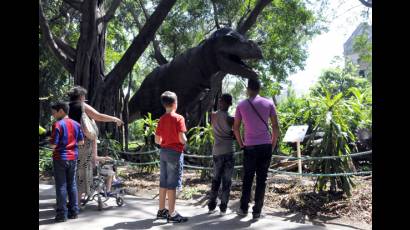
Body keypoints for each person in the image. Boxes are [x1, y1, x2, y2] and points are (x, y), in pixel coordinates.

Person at [67, 86, 123, 206]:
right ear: (81, 97)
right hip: (82, 144)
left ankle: (71, 200)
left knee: (72, 172)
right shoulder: (81, 105)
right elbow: (98, 116)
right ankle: (76, 202)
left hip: (67, 144)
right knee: (82, 172)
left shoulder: (65, 107)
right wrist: (114, 119)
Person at [233, 79, 280, 219]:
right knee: (262, 179)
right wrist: (272, 144)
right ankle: (257, 211)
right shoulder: (269, 103)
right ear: (259, 89)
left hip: (250, 146)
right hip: (265, 145)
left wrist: (242, 144)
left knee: (247, 178)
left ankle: (243, 209)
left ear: (248, 89)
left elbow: (235, 127)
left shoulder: (241, 105)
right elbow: (276, 126)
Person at [154, 91, 188, 223]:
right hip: (175, 153)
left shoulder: (162, 119)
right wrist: (185, 141)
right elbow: (182, 138)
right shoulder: (179, 118)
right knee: (172, 184)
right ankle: (172, 213)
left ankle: (161, 210)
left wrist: (166, 141)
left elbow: (157, 140)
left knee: (163, 181)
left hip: (163, 152)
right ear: (175, 103)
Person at [50, 101, 85, 222]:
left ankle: (61, 214)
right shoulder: (76, 124)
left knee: (61, 186)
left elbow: (54, 145)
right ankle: (74, 212)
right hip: (73, 157)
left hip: (60, 158)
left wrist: (50, 142)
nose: (53, 115)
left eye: (54, 112)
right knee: (72, 184)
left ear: (61, 111)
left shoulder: (58, 125)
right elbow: (81, 142)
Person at [208, 94, 235, 215]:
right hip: (228, 150)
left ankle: (211, 205)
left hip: (216, 151)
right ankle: (223, 207)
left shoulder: (212, 115)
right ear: (230, 104)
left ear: (220, 102)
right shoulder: (231, 118)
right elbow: (234, 134)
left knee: (216, 179)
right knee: (226, 181)